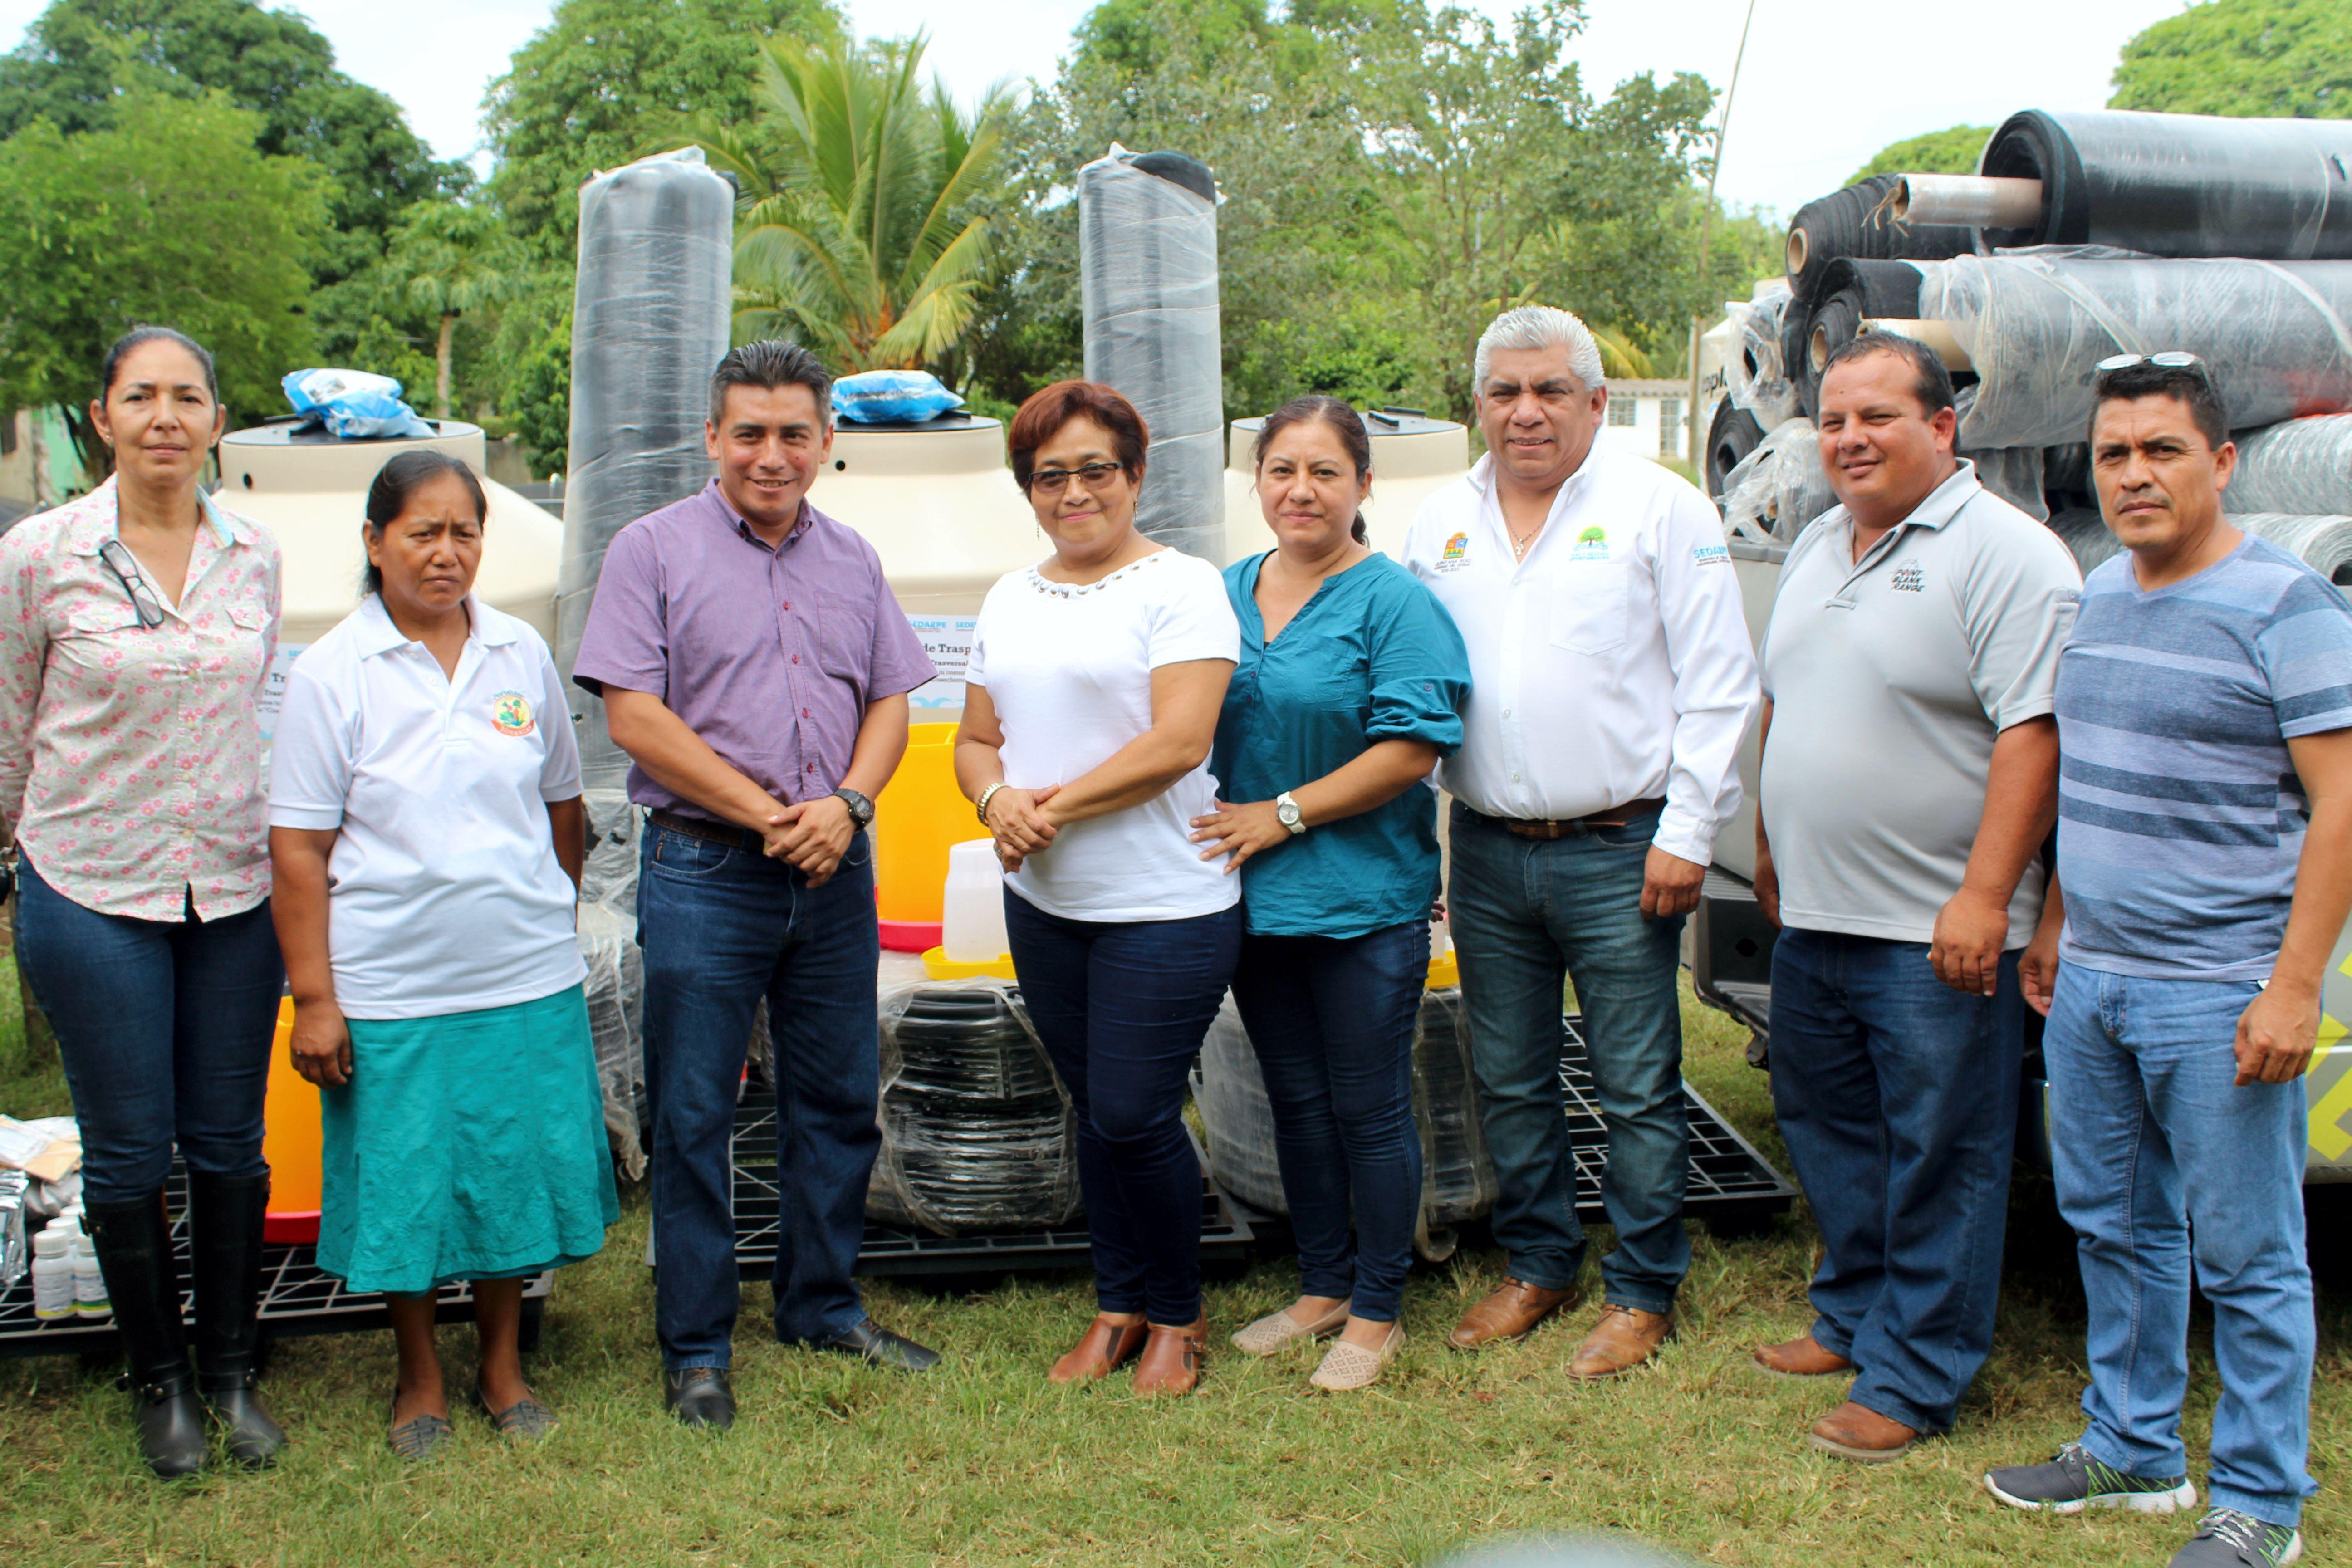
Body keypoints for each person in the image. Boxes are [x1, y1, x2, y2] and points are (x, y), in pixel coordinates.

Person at [1985, 355, 2351, 1568]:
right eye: (2114, 455)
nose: (2135, 475)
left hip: (2222, 990)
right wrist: (2056, 924)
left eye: (2162, 451)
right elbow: (2089, 783)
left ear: (2222, 462)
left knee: (2251, 1258)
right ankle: (2135, 1449)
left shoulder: (2288, 605)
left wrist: (2294, 983)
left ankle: (2260, 1506)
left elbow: (2341, 800)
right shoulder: (2102, 593)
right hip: (2095, 981)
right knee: (2114, 1221)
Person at [572, 341, 941, 1430]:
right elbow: (633, 714)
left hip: (835, 863)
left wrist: (847, 809)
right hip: (705, 867)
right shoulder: (651, 551)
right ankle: (695, 1347)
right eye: (749, 433)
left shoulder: (853, 559)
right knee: (694, 1110)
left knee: (836, 1096)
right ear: (712, 438)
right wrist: (767, 812)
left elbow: (889, 703)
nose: (771, 456)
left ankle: (821, 1306)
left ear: (827, 441)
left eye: (793, 434)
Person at [1402, 305, 1758, 1377]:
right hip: (1492, 846)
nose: (1527, 412)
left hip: (1622, 846)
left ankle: (1643, 1288)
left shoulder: (1661, 507)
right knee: (1507, 1073)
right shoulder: (1436, 524)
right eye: (1505, 392)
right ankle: (1540, 1262)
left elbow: (1720, 684)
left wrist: (1689, 832)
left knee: (1636, 1080)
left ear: (1597, 402)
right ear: (1478, 405)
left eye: (1551, 390)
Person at [1749, 332, 2081, 1463]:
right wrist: (1769, 841)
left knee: (1946, 1148)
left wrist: (1988, 898)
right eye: (1833, 420)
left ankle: (1919, 1371)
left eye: (1878, 417)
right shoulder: (1816, 548)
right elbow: (1788, 703)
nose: (1849, 440)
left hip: (1934, 931)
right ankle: (1852, 1316)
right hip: (1821, 918)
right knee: (1832, 1131)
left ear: (1944, 427)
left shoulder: (2010, 554)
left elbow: (2035, 735)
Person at [270, 451, 617, 1461]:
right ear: (375, 545)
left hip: (521, 976)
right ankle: (418, 1372)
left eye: (464, 532)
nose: (446, 552)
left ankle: (503, 1363)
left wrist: (548, 915)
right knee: (409, 1183)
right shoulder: (334, 672)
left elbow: (563, 806)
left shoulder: (519, 653)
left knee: (509, 1173)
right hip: (392, 984)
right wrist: (316, 999)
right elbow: (298, 849)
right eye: (422, 532)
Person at [0, 327, 286, 1478]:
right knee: (127, 1155)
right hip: (89, 883)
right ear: (102, 416)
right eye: (141, 398)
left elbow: (256, 706)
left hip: (230, 886)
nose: (165, 418)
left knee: (230, 1145)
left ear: (217, 420)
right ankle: (158, 1381)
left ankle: (230, 1367)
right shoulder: (39, 553)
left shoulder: (255, 553)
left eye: (188, 398)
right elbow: (10, 721)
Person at [955, 380, 1241, 1396]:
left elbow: (1178, 741)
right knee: (1095, 1109)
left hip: (1165, 904)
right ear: (1029, 489)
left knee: (1133, 1112)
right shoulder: (1009, 596)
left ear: (1135, 475)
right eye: (1050, 476)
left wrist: (1048, 811)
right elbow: (978, 741)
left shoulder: (1182, 586)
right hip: (1048, 904)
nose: (1074, 492)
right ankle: (1118, 1303)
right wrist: (996, 805)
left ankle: (1178, 1315)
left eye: (1094, 470)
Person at [1192, 396, 1469, 1392]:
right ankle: (1323, 1285)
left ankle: (1382, 1307)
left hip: (1363, 897)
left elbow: (1413, 746)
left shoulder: (1393, 602)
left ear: (1362, 486)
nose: (1300, 491)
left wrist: (1287, 813)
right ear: (1257, 482)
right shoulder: (1221, 593)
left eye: (1324, 472)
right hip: (1252, 898)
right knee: (1295, 1101)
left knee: (1367, 1104)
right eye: (1281, 471)